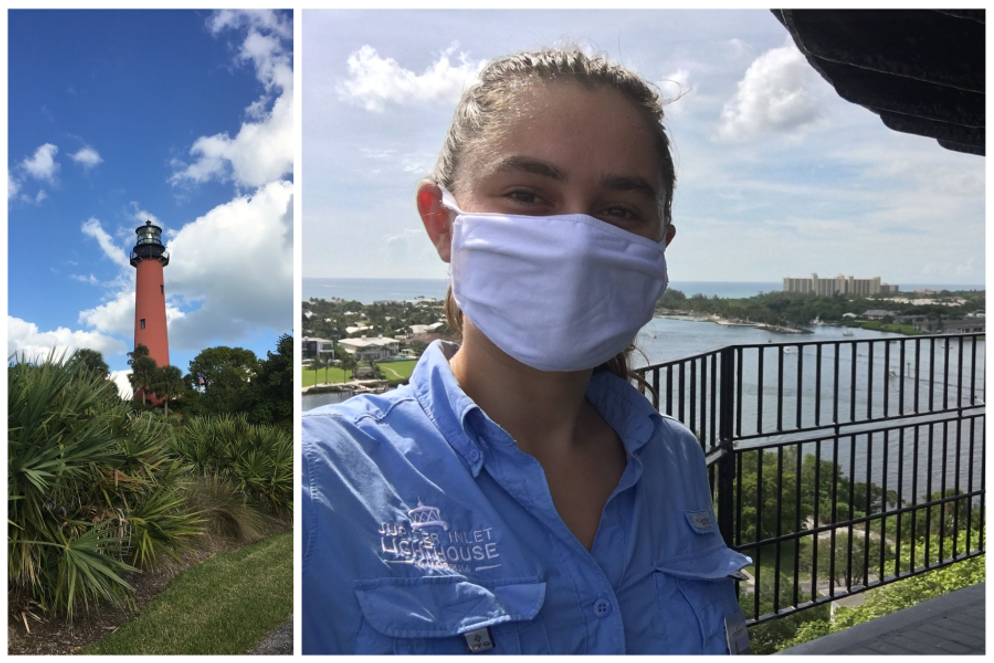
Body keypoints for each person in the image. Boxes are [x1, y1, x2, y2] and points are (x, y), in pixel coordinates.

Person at [302, 46, 752, 655]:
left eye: (619, 210)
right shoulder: (325, 481)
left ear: (659, 243)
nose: (576, 239)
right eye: (527, 194)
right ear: (442, 223)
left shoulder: (672, 458)